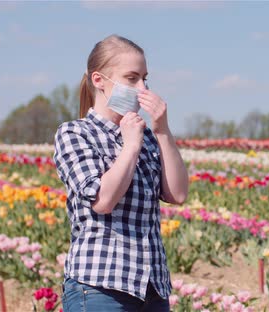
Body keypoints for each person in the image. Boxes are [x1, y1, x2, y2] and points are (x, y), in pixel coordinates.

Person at [53, 34, 188, 312]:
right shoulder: (76, 133)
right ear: (99, 80)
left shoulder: (149, 137)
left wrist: (162, 130)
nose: (142, 88)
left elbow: (177, 193)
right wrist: (130, 145)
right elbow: (103, 201)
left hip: (152, 287)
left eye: (145, 79)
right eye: (131, 78)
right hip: (101, 285)